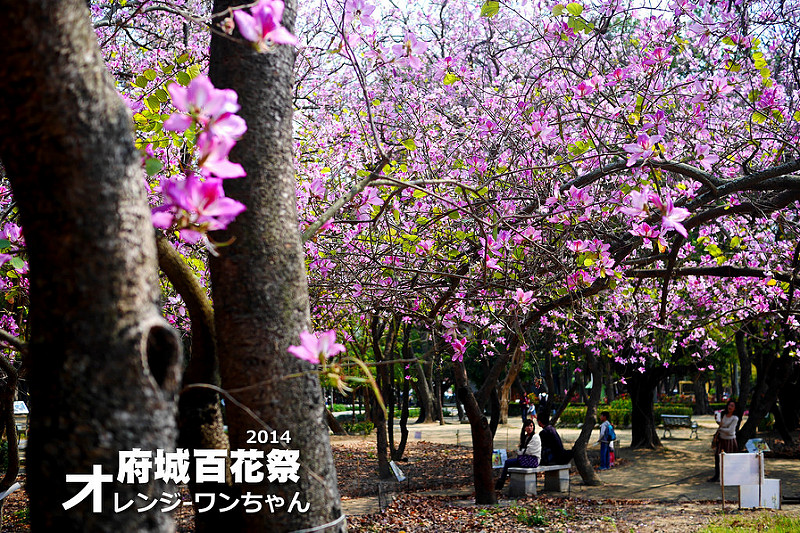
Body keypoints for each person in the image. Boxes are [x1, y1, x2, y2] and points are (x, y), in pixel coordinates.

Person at [495, 418, 541, 490]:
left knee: (508, 462)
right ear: (524, 428)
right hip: (526, 459)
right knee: (510, 463)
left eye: (531, 426)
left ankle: (500, 483)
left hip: (533, 460)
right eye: (527, 426)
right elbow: (523, 450)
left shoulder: (535, 437)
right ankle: (506, 482)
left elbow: (529, 451)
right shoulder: (526, 437)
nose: (529, 428)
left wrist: (520, 452)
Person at [709, 399, 739, 482]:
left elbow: (730, 431)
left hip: (730, 441)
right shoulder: (723, 415)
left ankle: (730, 476)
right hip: (721, 440)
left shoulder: (735, 418)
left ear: (735, 408)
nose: (730, 407)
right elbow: (719, 421)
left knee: (730, 459)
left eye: (732, 406)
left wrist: (720, 429)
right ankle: (717, 476)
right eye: (729, 405)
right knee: (717, 458)